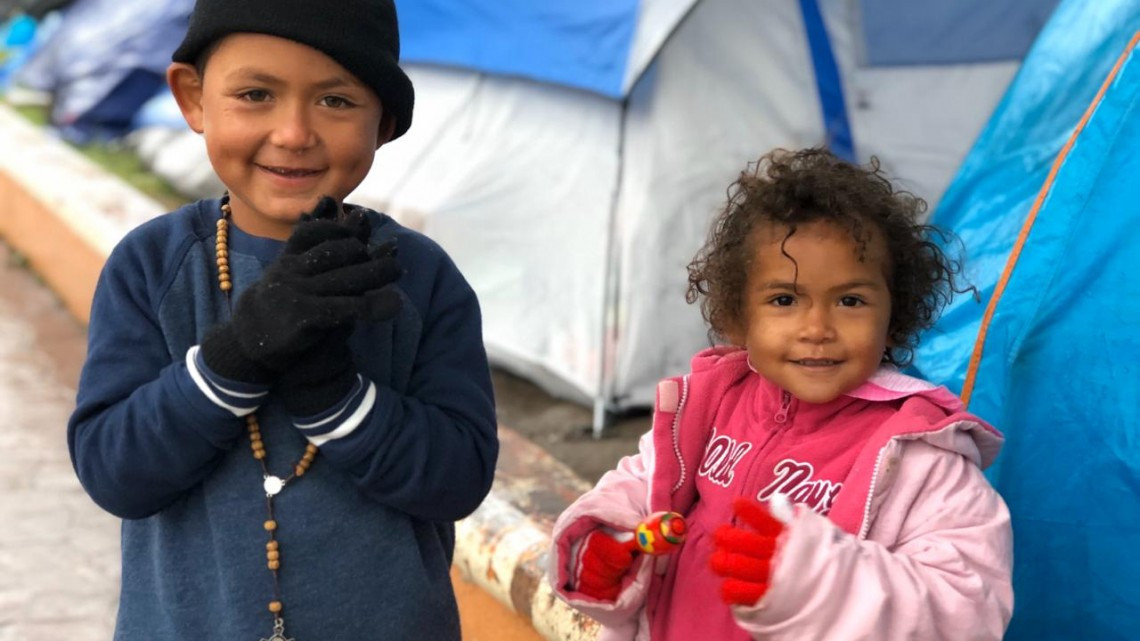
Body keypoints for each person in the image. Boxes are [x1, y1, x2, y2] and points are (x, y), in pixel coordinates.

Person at [66, 1, 498, 639]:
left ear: (387, 121)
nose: (294, 133)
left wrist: (336, 397)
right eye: (256, 93)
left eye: (337, 102)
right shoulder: (150, 267)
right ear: (193, 98)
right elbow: (115, 473)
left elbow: (458, 479)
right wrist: (235, 355)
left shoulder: (418, 276)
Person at [548, 148, 1013, 640]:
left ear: (894, 318)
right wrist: (605, 542)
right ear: (738, 315)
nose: (817, 328)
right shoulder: (710, 405)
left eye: (850, 300)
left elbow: (968, 609)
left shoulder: (922, 455)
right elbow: (643, 484)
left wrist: (820, 585)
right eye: (785, 300)